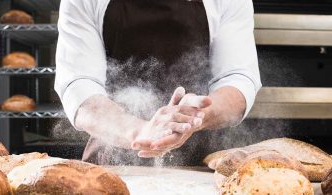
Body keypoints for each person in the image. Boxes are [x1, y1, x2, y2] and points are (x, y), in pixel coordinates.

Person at [55, 0, 262, 166]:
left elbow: (237, 79)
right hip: (113, 155)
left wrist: (194, 116)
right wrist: (139, 131)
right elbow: (79, 84)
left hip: (200, 158)